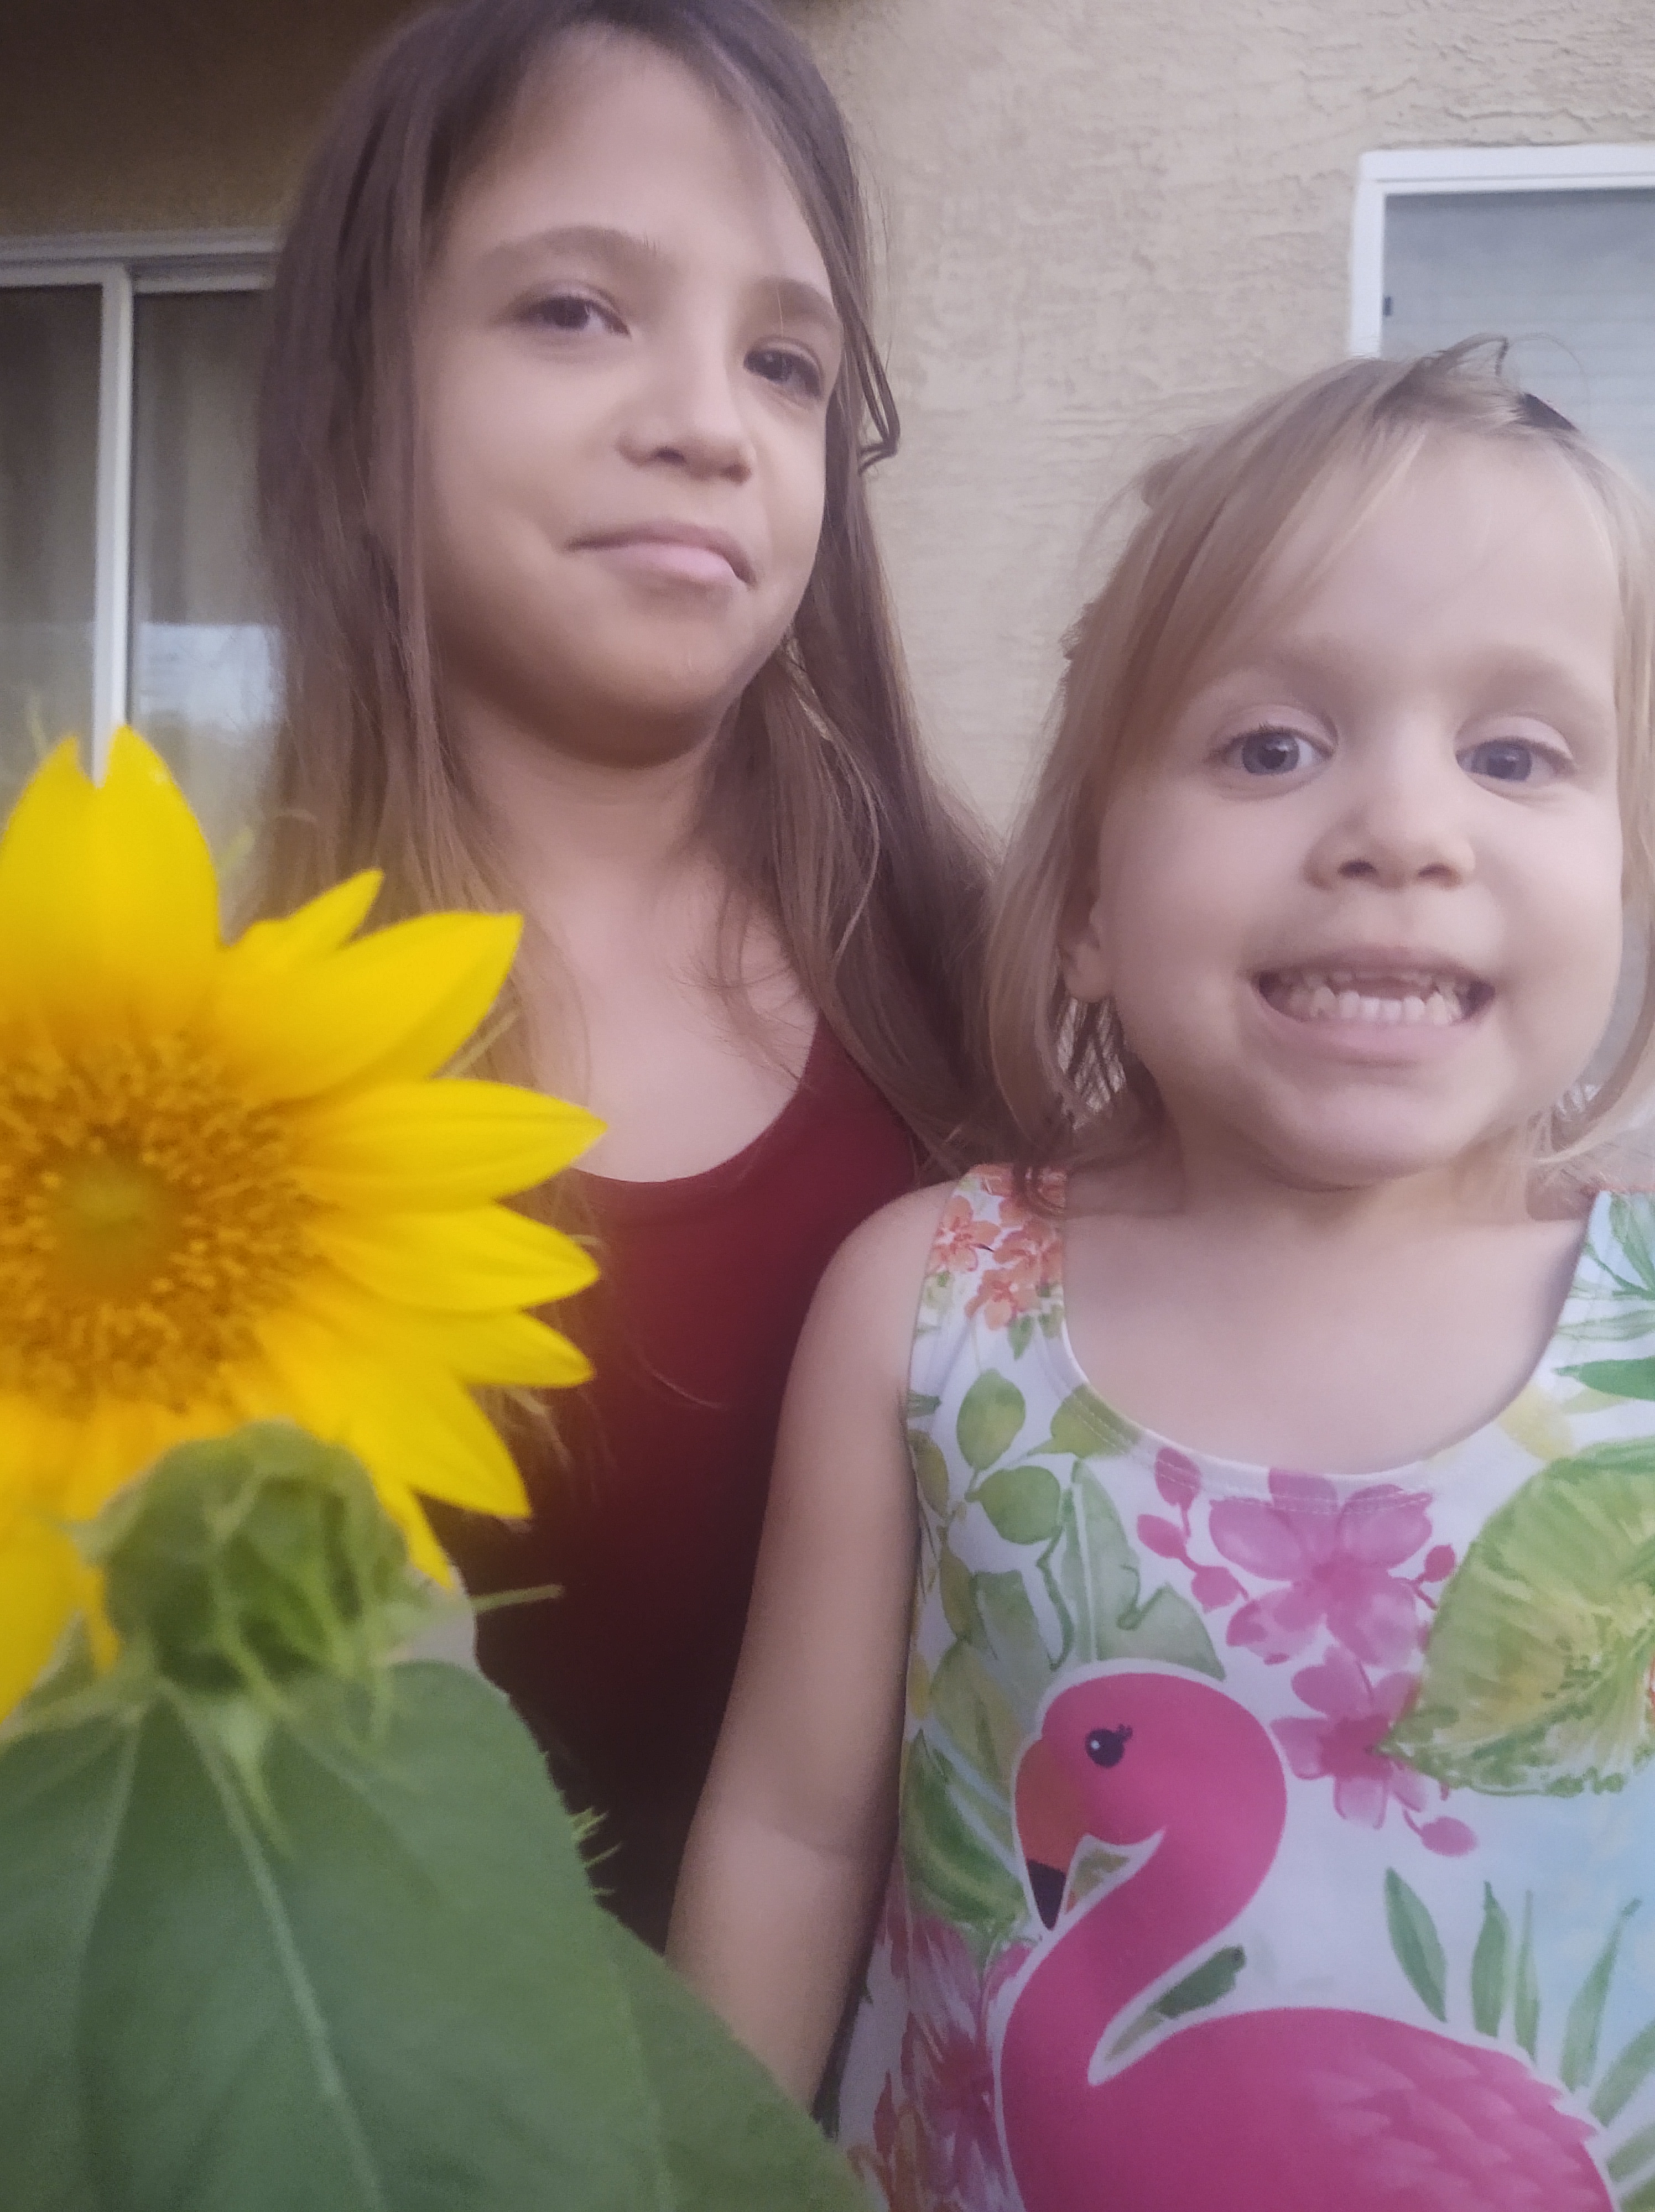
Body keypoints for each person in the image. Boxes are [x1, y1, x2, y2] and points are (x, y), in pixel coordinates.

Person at [670, 345, 1655, 2209]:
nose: (1404, 832)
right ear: (1093, 904)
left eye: (1515, 756)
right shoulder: (934, 1312)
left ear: (1628, 879)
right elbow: (798, 1835)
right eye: (1269, 747)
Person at [253, 0, 995, 1949]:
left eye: (784, 359)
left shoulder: (980, 971)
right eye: (576, 311)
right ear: (355, 412)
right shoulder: (203, 1076)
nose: (705, 421)